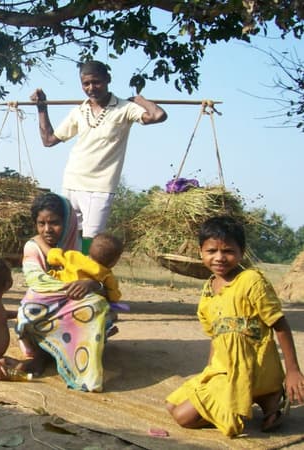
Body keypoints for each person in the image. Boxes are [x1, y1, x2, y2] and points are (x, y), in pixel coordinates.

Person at [166, 216, 304, 436]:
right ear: (201, 252)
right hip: (225, 369)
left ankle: (269, 392)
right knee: (172, 405)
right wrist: (209, 373)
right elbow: (216, 337)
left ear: (242, 252)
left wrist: (293, 371)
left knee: (184, 417)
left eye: (228, 251)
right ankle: (261, 398)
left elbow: (279, 323)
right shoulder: (208, 290)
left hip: (254, 367)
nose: (219, 258)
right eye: (211, 251)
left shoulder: (251, 281)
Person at [31, 60, 167, 254]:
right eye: (86, 84)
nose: (91, 88)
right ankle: (66, 270)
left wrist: (140, 100)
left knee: (91, 240)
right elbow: (49, 140)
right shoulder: (79, 111)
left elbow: (158, 115)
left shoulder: (125, 108)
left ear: (108, 79)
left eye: (96, 82)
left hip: (100, 187)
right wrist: (41, 108)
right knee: (66, 236)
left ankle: (87, 272)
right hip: (72, 181)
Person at [15, 192, 111, 391]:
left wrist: (91, 285)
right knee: (28, 310)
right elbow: (37, 281)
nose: (47, 229)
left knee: (97, 304)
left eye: (54, 223)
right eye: (41, 223)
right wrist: (76, 286)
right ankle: (42, 354)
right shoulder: (33, 247)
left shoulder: (84, 247)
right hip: (44, 306)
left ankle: (81, 362)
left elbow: (104, 279)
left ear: (68, 222)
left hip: (77, 303)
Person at [47, 233, 124, 303]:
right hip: (79, 298)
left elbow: (52, 256)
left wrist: (53, 251)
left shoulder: (73, 256)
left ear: (89, 249)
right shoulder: (107, 274)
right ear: (113, 262)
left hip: (57, 286)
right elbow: (114, 296)